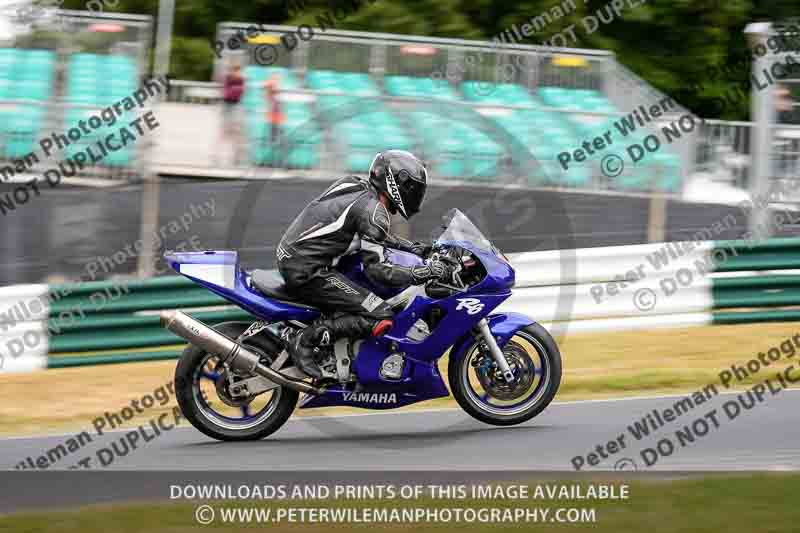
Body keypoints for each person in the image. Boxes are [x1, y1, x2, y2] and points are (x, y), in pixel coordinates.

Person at [276, 150, 452, 378]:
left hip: (295, 259)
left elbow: (371, 236)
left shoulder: (357, 187)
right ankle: (306, 339)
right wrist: (420, 272)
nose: (415, 194)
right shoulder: (373, 212)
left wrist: (414, 248)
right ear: (395, 182)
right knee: (381, 313)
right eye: (413, 188)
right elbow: (378, 271)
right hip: (309, 272)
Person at [218, 63, 245, 166]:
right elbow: (227, 93)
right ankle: (218, 156)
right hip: (227, 106)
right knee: (224, 133)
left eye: (239, 71)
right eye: (236, 71)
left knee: (237, 134)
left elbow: (241, 92)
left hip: (236, 106)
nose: (238, 73)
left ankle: (236, 158)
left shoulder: (241, 80)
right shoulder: (228, 79)